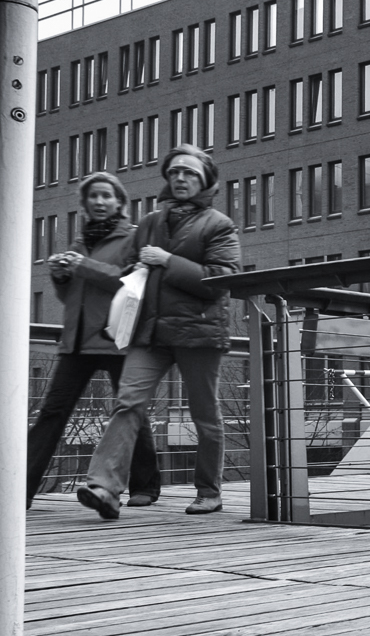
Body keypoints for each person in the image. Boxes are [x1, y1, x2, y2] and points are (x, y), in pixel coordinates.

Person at [76, 145, 241, 519]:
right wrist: (85, 269)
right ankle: (105, 487)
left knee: (204, 414)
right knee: (128, 403)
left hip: (199, 332)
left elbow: (222, 280)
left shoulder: (219, 224)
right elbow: (127, 272)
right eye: (175, 172)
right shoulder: (150, 222)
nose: (181, 178)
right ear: (167, 178)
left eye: (190, 173)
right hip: (150, 333)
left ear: (205, 181)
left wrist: (168, 260)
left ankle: (208, 491)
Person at [27, 174, 161, 509]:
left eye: (106, 196)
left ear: (119, 202)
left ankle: (145, 486)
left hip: (116, 337)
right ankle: (20, 487)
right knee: (52, 413)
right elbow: (71, 297)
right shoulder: (79, 243)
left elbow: (128, 282)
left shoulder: (132, 239)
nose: (99, 202)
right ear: (85, 204)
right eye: (93, 197)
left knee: (130, 412)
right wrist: (60, 276)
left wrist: (83, 265)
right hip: (75, 343)